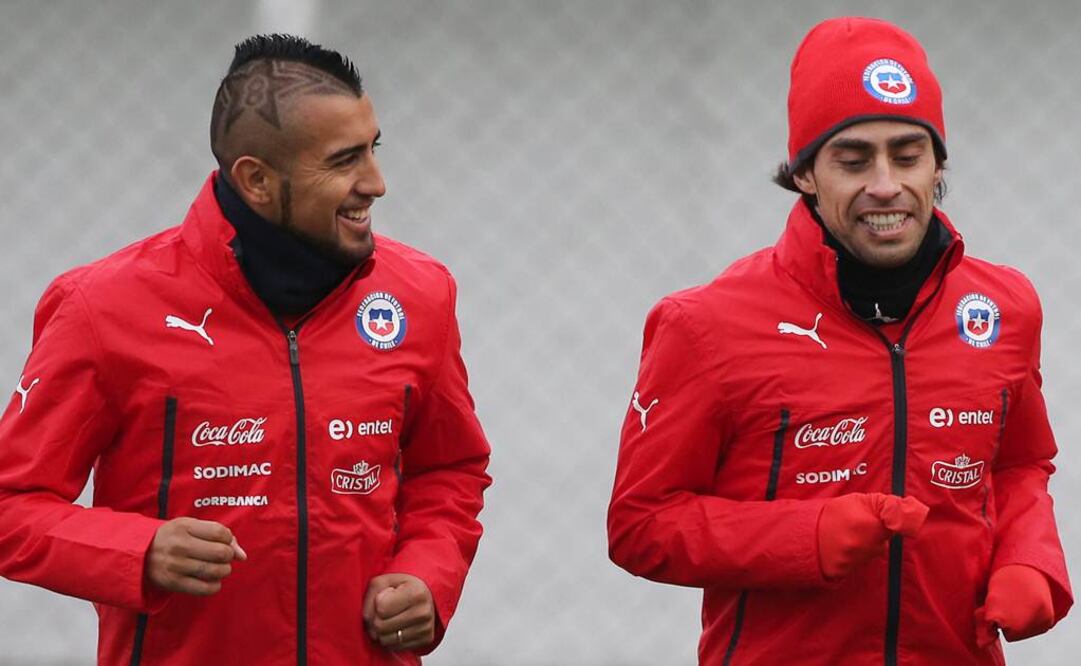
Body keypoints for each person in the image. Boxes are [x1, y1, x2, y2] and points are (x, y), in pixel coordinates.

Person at [0, 35, 490, 665]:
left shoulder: (420, 294)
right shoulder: (102, 307)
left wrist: (429, 573)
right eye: (343, 161)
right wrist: (137, 551)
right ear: (256, 179)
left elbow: (449, 470)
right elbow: (11, 507)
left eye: (373, 149)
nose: (376, 183)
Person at [607, 16, 1072, 665]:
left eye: (907, 155)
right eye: (852, 160)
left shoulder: (1002, 307)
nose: (885, 185)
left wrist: (1030, 560)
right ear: (803, 175)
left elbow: (1018, 465)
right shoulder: (704, 326)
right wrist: (805, 536)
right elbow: (640, 527)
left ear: (937, 163)